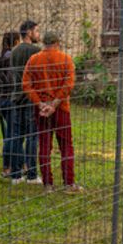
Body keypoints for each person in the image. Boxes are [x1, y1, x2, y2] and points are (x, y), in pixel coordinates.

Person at [23, 31, 79, 192]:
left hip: (42, 109)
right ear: (57, 42)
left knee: (45, 145)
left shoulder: (34, 60)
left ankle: (48, 183)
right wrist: (55, 103)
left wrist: (40, 103)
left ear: (44, 43)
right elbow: (68, 84)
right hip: (61, 107)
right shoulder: (65, 59)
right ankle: (69, 183)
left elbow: (26, 84)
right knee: (66, 145)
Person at [8, 20, 42, 184]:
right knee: (32, 136)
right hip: (31, 97)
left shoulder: (14, 51)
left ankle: (15, 174)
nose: (38, 35)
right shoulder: (36, 51)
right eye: (36, 31)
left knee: (16, 136)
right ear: (29, 32)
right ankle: (32, 174)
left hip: (16, 96)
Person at [0, 30, 20, 178]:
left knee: (7, 134)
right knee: (12, 134)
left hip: (0, 98)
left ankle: (9, 166)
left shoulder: (1, 56)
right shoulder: (11, 58)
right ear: (15, 42)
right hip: (10, 98)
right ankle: (8, 167)